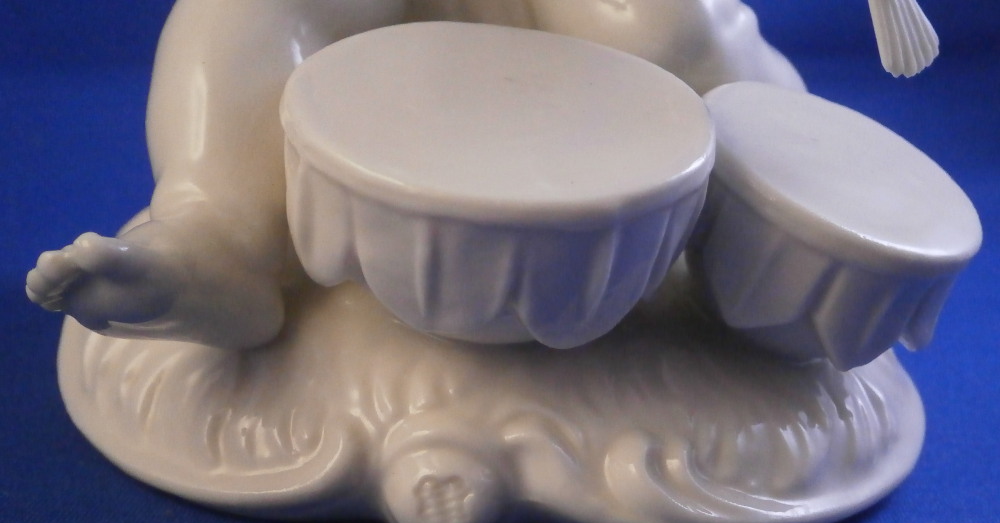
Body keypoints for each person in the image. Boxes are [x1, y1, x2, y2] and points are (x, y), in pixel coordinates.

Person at [26, 0, 804, 349]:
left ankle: (784, 221)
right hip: (385, 41)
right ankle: (217, 240)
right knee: (245, 18)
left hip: (588, 57)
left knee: (672, 36)